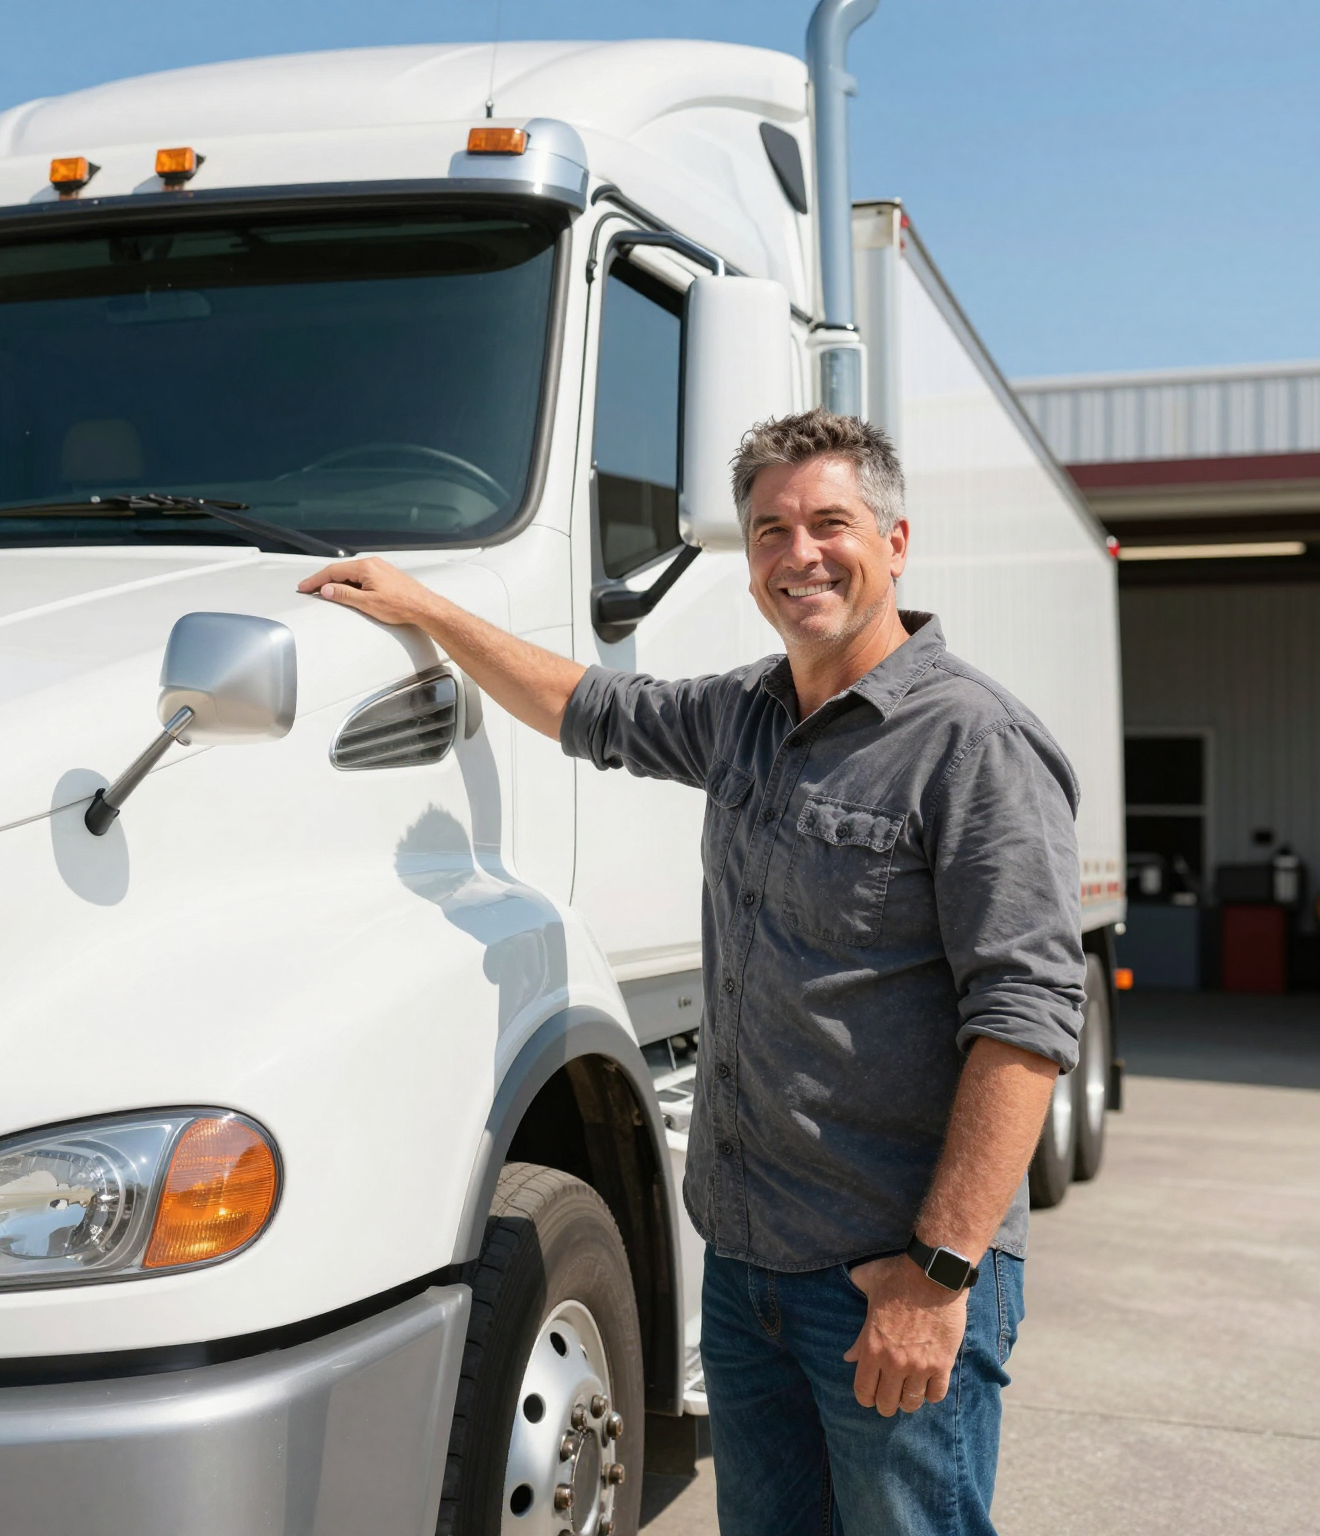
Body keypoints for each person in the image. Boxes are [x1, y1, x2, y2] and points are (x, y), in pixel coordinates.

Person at [297, 409, 1085, 1536]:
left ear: (896, 544)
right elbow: (587, 708)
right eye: (771, 530)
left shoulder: (973, 746)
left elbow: (1024, 1024)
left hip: (887, 1279)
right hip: (750, 1269)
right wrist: (426, 610)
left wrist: (936, 1277)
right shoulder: (748, 716)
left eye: (830, 523)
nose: (797, 554)